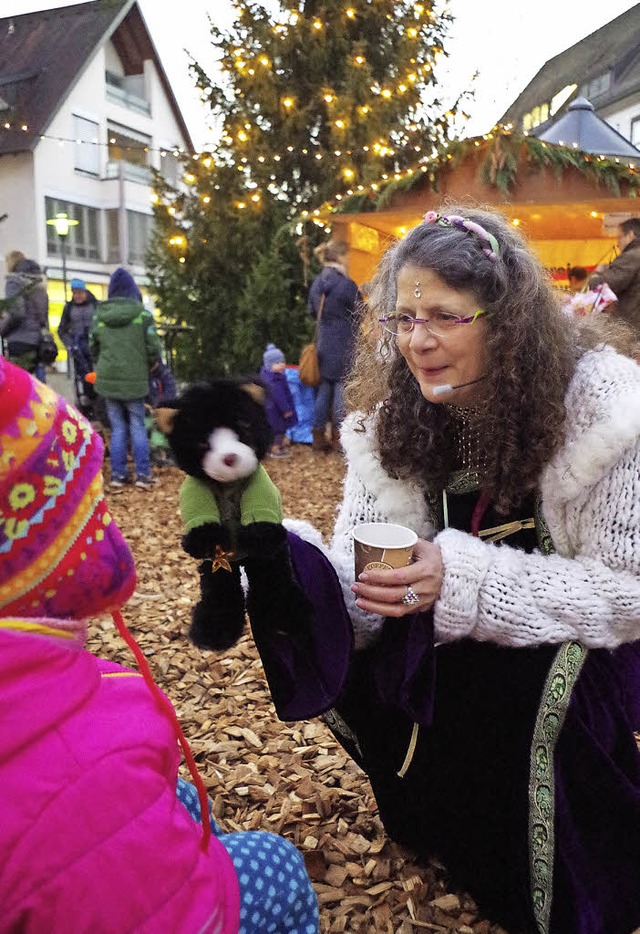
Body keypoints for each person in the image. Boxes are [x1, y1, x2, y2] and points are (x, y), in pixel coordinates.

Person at [254, 207, 640, 933]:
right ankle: (450, 830)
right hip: (454, 624)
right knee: (373, 672)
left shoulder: (601, 408)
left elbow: (629, 595)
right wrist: (293, 575)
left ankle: (556, 878)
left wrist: (462, 582)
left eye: (444, 316)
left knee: (515, 693)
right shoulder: (394, 418)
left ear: (506, 319)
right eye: (401, 318)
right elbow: (368, 571)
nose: (417, 341)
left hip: (583, 641)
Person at [0, 355, 320, 933]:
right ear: (36, 547)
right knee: (280, 866)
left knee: (181, 799)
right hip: (141, 886)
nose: (113, 530)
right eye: (92, 504)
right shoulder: (84, 764)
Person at [90, 267, 160, 489]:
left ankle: (118, 476)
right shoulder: (143, 315)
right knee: (137, 425)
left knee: (118, 428)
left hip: (108, 379)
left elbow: (92, 346)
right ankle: (142, 475)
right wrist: (150, 363)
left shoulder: (99, 316)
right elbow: (153, 347)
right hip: (135, 379)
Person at [307, 240, 360, 453]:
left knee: (324, 390)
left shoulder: (317, 283)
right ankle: (339, 439)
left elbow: (312, 311)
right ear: (339, 257)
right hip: (344, 343)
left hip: (323, 342)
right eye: (346, 255)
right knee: (340, 389)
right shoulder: (346, 284)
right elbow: (360, 311)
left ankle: (318, 438)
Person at [0, 250, 49, 375]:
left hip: (19, 340)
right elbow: (43, 317)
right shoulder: (38, 283)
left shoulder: (14, 282)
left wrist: (3, 329)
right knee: (31, 383)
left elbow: (17, 313)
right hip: (37, 342)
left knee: (16, 384)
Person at [590, 216, 640, 335]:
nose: (618, 243)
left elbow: (603, 287)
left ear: (630, 235)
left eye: (619, 237)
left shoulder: (632, 256)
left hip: (630, 328)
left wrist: (596, 274)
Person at [58, 276, 99, 417]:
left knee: (96, 375)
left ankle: (97, 401)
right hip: (78, 349)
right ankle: (83, 403)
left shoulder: (95, 305)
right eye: (75, 293)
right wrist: (69, 344)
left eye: (80, 292)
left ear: (85, 292)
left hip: (95, 348)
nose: (77, 296)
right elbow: (61, 329)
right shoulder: (68, 308)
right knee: (81, 377)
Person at [260, 342, 298, 456]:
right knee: (279, 430)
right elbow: (279, 397)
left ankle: (272, 447)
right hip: (276, 411)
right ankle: (276, 448)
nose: (281, 365)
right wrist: (286, 409)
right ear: (269, 365)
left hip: (273, 410)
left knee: (275, 429)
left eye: (282, 362)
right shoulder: (274, 381)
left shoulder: (274, 377)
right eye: (277, 363)